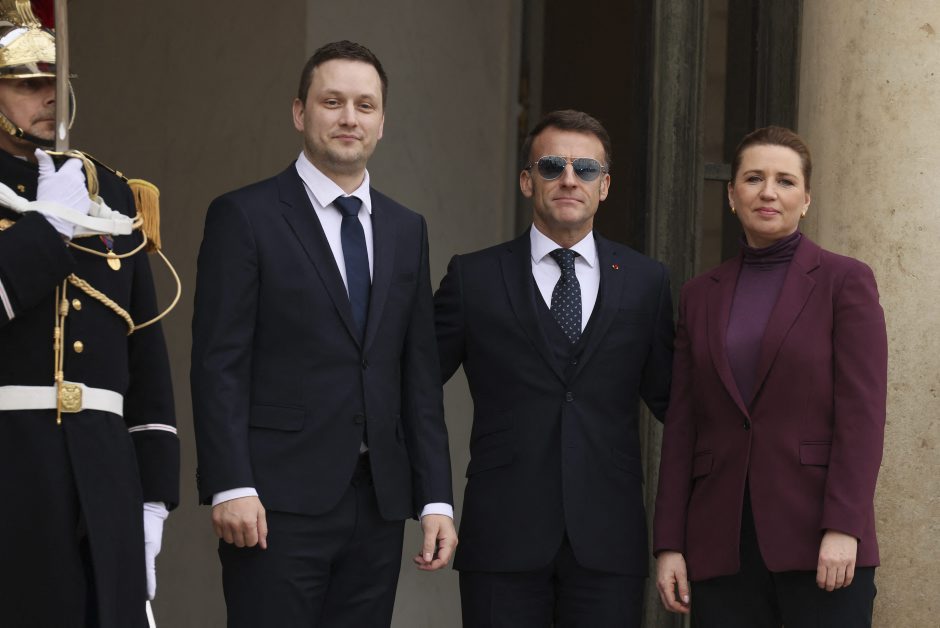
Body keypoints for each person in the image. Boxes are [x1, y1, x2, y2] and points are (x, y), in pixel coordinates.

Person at [191, 40, 456, 627]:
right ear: (299, 112)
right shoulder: (245, 215)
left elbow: (416, 374)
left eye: (365, 105)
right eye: (332, 101)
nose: (348, 118)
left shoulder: (406, 228)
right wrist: (230, 483)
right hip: (273, 502)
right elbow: (218, 363)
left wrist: (435, 497)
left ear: (382, 122)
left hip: (378, 503)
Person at [434, 109, 674, 627]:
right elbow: (414, 388)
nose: (569, 179)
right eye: (551, 166)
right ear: (527, 181)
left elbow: (677, 406)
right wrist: (434, 501)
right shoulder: (473, 278)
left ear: (604, 186)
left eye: (585, 169)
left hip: (608, 541)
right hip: (501, 537)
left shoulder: (646, 282)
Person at [653, 126, 886, 627]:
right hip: (721, 545)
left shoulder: (845, 281)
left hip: (820, 540)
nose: (768, 192)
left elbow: (862, 417)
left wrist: (844, 526)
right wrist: (670, 542)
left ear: (806, 199)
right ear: (731, 194)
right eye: (754, 178)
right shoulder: (699, 295)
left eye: (785, 181)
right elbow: (683, 425)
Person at [0, 3, 180, 626]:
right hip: (12, 466)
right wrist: (45, 229)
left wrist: (154, 495)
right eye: (28, 83)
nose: (50, 96)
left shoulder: (113, 191)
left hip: (104, 472)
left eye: (57, 80)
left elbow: (144, 352)